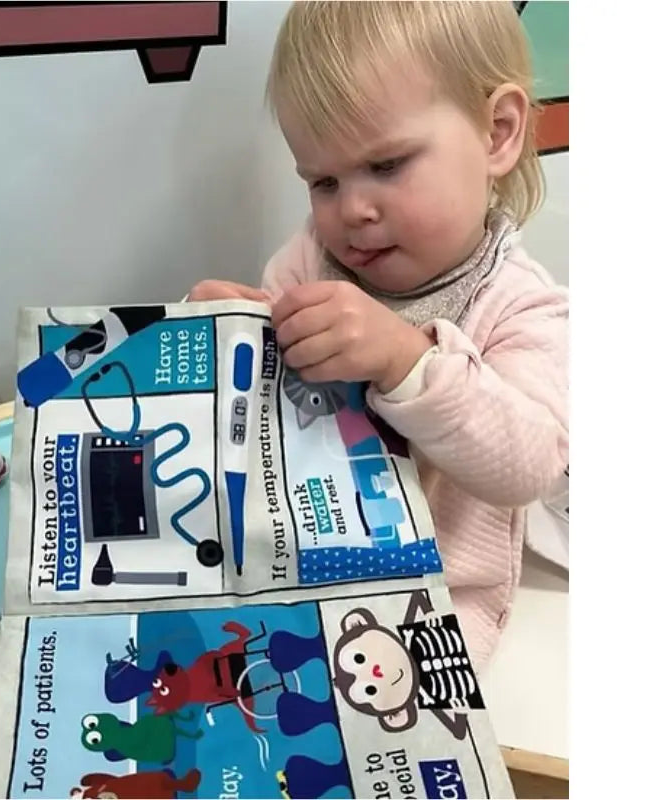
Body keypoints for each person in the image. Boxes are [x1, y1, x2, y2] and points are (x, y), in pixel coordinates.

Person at [188, 1, 568, 668]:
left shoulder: (520, 304)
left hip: (433, 607)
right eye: (324, 181)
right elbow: (263, 431)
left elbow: (532, 463)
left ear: (497, 133)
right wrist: (223, 343)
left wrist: (406, 361)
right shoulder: (308, 259)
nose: (353, 210)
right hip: (290, 567)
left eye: (387, 165)